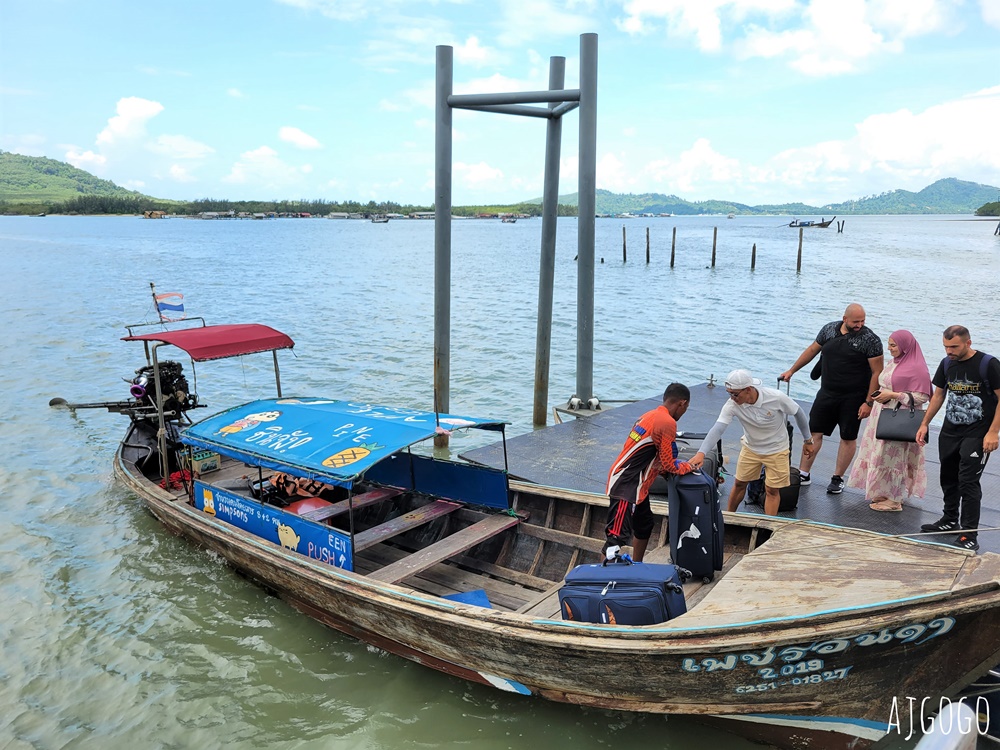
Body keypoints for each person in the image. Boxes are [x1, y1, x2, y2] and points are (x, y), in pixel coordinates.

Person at [779, 303, 884, 494]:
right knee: (814, 433)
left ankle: (837, 478)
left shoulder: (871, 340)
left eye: (863, 321)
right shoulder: (829, 329)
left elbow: (877, 372)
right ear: (845, 319)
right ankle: (804, 472)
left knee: (847, 436)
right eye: (855, 321)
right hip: (827, 393)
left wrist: (869, 402)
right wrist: (792, 370)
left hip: (853, 397)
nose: (859, 325)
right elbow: (812, 350)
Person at [916, 326, 1000, 551]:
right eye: (945, 346)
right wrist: (924, 424)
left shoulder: (988, 364)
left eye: (954, 347)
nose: (949, 351)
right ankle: (949, 520)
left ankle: (968, 534)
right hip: (950, 431)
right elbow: (939, 395)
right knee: (948, 476)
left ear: (968, 343)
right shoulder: (946, 363)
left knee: (968, 481)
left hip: (978, 433)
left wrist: (993, 432)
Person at [690, 369, 813, 516]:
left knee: (772, 490)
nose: (732, 397)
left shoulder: (776, 397)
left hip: (777, 449)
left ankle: (766, 526)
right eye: (729, 393)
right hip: (751, 448)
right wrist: (701, 453)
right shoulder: (732, 404)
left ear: (748, 389)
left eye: (735, 394)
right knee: (739, 483)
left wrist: (808, 440)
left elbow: (798, 412)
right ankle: (730, 518)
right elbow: (718, 428)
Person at [604, 383, 695, 562]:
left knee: (644, 525)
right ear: (682, 404)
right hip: (627, 485)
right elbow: (670, 464)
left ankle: (637, 565)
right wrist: (689, 467)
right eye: (686, 408)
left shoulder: (649, 416)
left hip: (638, 485)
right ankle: (601, 583)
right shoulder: (667, 422)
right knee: (615, 540)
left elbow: (652, 456)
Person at [846, 330, 931, 512]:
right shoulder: (894, 362)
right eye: (889, 344)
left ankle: (894, 499)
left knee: (895, 457)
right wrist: (882, 395)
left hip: (899, 418)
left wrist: (893, 395)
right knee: (881, 453)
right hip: (882, 413)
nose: (889, 348)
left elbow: (922, 397)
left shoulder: (917, 368)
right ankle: (884, 491)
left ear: (905, 346)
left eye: (893, 345)